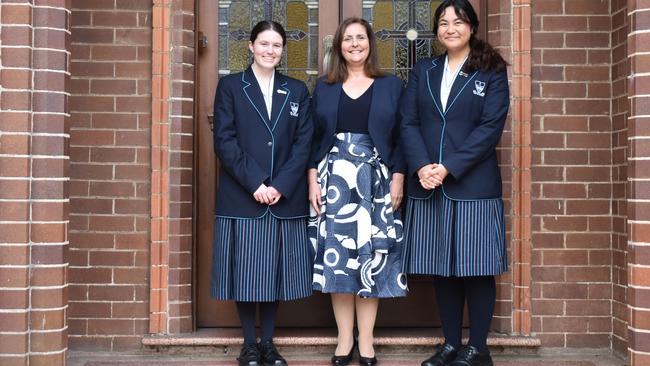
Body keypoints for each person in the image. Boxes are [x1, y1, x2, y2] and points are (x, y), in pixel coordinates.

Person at [400, 1, 509, 365]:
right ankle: (450, 344)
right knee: (442, 268)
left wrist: (447, 167)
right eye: (443, 22)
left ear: (472, 27)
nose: (450, 28)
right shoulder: (424, 70)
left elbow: (489, 128)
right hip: (427, 184)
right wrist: (421, 167)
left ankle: (477, 348)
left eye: (458, 22)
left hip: (473, 185)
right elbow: (409, 122)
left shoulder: (491, 70)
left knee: (475, 268)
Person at [211, 20, 313, 366]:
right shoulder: (230, 87)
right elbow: (224, 141)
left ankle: (268, 343)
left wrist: (280, 185)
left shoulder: (297, 90)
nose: (271, 51)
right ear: (251, 46)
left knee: (272, 272)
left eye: (277, 46)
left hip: (284, 198)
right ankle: (249, 344)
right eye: (264, 44)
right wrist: (256, 183)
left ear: (282, 51)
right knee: (245, 272)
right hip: (243, 195)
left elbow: (303, 145)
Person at [308, 17, 408, 366]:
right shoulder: (324, 86)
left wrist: (399, 176)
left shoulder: (392, 86)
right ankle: (343, 339)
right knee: (339, 259)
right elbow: (312, 139)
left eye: (360, 38)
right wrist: (311, 179)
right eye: (347, 39)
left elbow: (402, 136)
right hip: (333, 180)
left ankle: (366, 340)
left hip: (375, 182)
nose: (354, 44)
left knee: (370, 259)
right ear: (338, 46)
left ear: (370, 43)